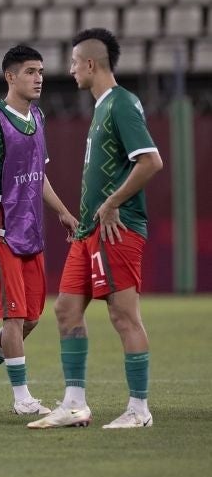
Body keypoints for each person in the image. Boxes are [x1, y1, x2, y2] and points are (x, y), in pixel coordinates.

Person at [28, 29, 163, 430]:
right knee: (67, 310)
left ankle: (139, 410)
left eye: (73, 63)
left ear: (90, 64)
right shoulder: (103, 106)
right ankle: (74, 404)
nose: (69, 70)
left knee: (123, 316)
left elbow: (151, 161)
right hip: (90, 232)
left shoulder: (121, 104)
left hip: (117, 231)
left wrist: (111, 203)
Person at [0, 45, 78, 416]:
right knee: (13, 317)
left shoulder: (37, 118)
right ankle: (22, 399)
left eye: (40, 71)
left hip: (30, 233)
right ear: (10, 76)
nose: (38, 78)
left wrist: (62, 212)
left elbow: (37, 176)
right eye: (29, 71)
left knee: (30, 319)